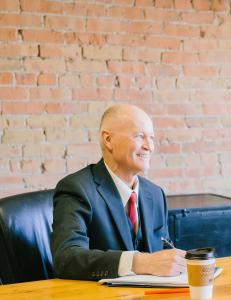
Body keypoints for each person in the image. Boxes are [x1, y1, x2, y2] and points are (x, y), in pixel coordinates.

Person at [51, 104, 186, 280]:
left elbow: (164, 253)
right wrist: (139, 262)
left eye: (151, 138)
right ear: (108, 140)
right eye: (140, 136)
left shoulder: (155, 194)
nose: (149, 146)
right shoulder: (76, 188)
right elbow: (66, 259)